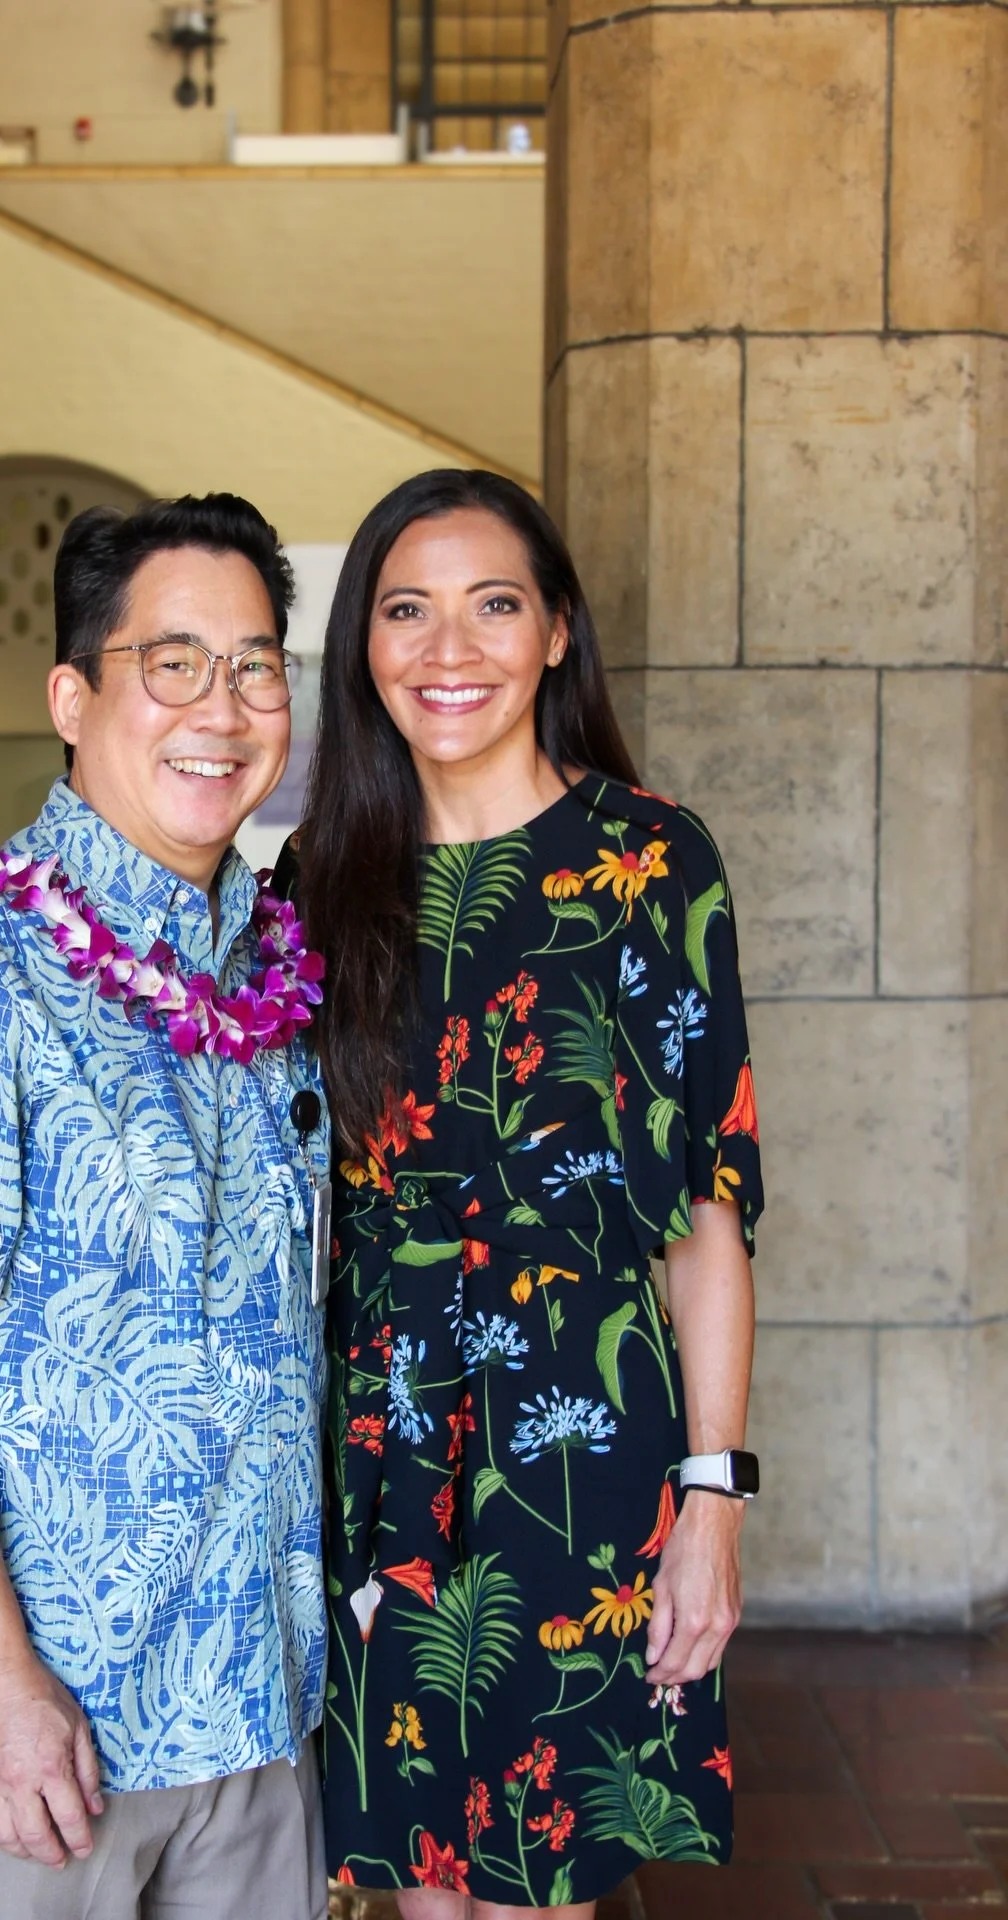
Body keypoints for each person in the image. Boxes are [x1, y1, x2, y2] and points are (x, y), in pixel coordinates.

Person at [0, 494, 332, 1920]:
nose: (220, 709)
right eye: (172, 664)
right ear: (72, 694)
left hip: (253, 1704)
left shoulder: (274, 983)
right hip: (53, 1732)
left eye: (256, 666)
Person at [288, 469, 763, 1918]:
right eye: (407, 610)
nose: (451, 649)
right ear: (363, 648)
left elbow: (709, 1214)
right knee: (421, 1885)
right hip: (382, 1452)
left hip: (587, 1442)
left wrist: (712, 1500)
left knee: (538, 1885)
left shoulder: (649, 863)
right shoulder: (319, 883)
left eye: (494, 606)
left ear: (556, 631)